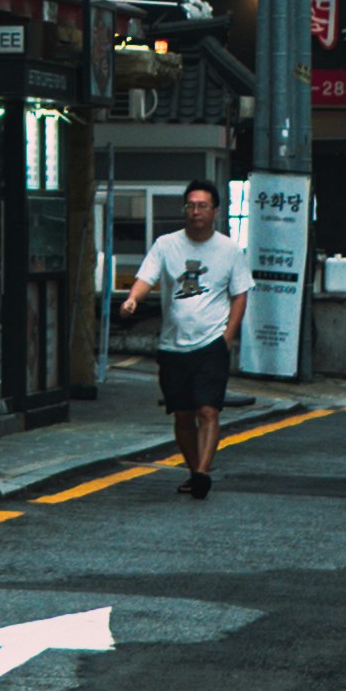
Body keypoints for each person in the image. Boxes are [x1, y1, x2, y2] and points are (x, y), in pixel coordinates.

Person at [119, 176, 249, 498]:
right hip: (173, 344)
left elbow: (241, 294)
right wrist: (133, 299)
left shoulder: (230, 250)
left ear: (215, 211)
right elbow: (145, 278)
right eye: (190, 205)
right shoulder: (167, 244)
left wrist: (227, 337)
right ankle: (195, 471)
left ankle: (202, 473)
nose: (195, 212)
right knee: (182, 414)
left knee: (208, 410)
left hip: (211, 343)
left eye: (202, 206)